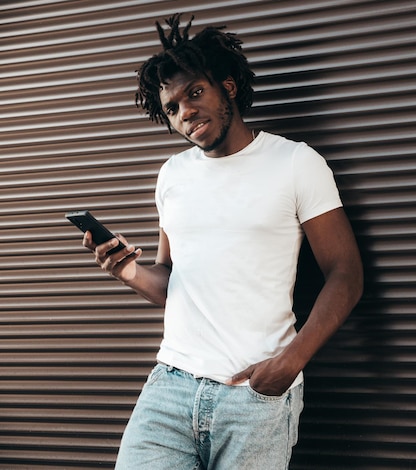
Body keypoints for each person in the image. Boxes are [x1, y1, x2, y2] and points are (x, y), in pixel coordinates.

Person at [82, 13, 363, 470]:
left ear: (228, 86)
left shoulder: (295, 162)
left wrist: (291, 362)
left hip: (253, 396)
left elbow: (345, 275)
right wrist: (127, 271)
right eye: (172, 108)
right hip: (170, 387)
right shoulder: (172, 175)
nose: (186, 112)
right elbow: (172, 281)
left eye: (195, 92)